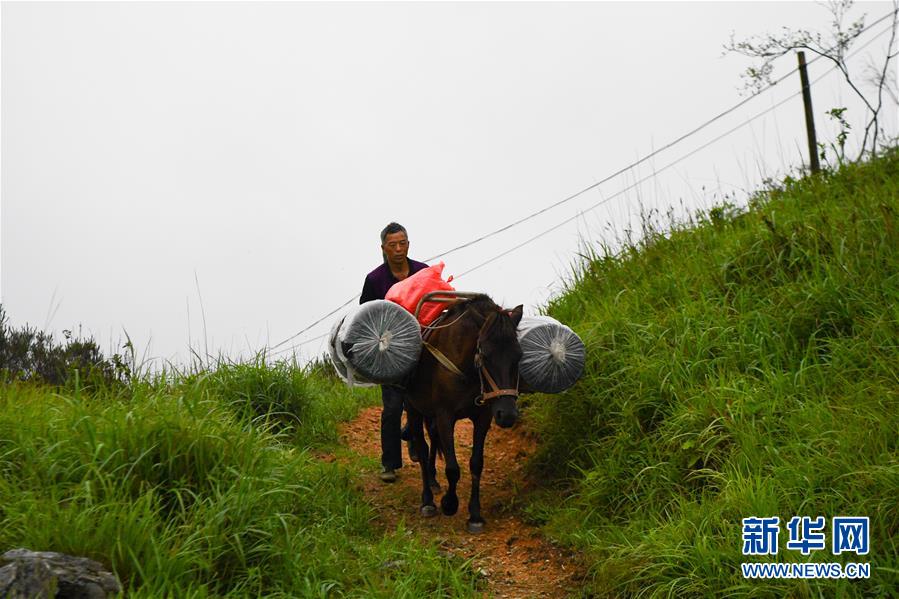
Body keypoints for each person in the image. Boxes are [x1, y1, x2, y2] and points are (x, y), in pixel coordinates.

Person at [360, 222, 428, 482]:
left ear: (408, 245)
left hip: (422, 349)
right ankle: (389, 464)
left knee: (423, 404)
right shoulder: (375, 279)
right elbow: (366, 316)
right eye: (392, 245)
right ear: (383, 248)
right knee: (392, 408)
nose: (398, 249)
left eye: (402, 243)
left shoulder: (422, 272)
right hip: (390, 353)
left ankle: (414, 438)